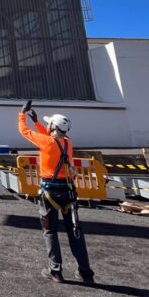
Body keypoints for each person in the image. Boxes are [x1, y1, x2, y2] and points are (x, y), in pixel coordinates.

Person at [18, 100, 94, 285]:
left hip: (50, 193)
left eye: (49, 124)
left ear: (52, 126)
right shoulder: (67, 143)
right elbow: (51, 139)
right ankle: (85, 272)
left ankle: (56, 270)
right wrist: (38, 123)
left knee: (50, 231)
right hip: (68, 192)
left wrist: (22, 114)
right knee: (74, 231)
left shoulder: (47, 143)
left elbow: (25, 132)